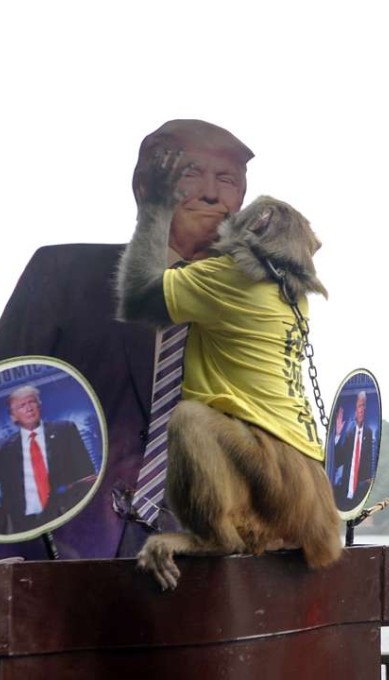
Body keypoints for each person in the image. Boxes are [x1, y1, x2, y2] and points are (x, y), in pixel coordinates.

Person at [0, 119, 253, 559]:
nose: (212, 194)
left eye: (227, 179)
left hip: (197, 560)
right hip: (59, 553)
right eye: (191, 172)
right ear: (144, 186)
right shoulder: (64, 275)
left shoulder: (251, 308)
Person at [0, 385, 96, 534]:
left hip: (67, 514)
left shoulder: (65, 430)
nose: (29, 408)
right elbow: (8, 494)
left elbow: (87, 475)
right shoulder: (6, 449)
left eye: (32, 402)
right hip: (26, 524)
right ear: (13, 416)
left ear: (39, 406)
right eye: (22, 406)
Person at [334, 391, 376, 511]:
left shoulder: (368, 433)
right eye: (359, 406)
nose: (362, 409)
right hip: (344, 495)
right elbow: (339, 459)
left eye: (364, 406)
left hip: (360, 496)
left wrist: (368, 480)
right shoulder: (349, 434)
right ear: (355, 411)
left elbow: (370, 461)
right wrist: (337, 435)